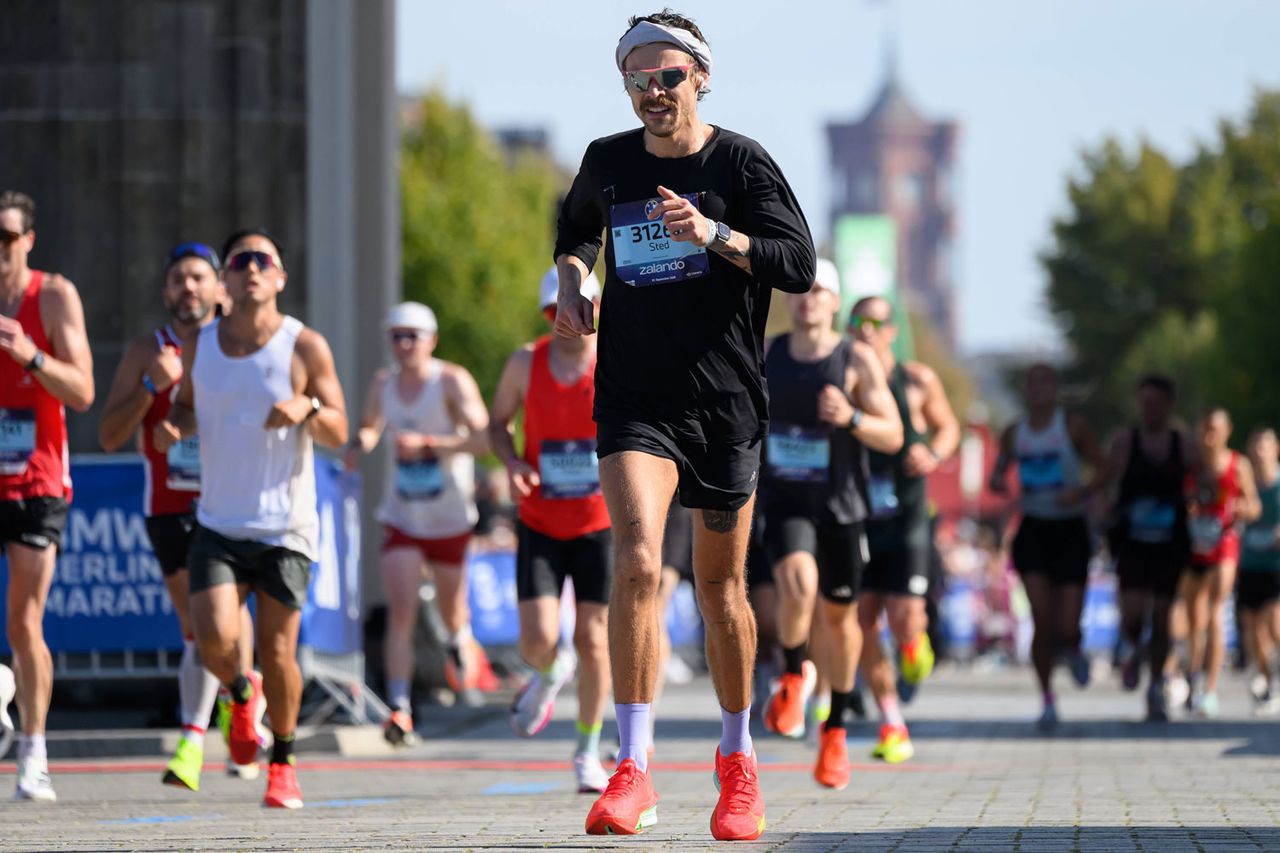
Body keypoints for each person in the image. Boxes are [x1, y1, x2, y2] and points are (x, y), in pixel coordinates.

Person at [554, 10, 816, 840]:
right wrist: (571, 280)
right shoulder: (607, 160)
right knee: (635, 563)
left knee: (721, 590)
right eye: (638, 79)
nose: (653, 93)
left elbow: (799, 264)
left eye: (668, 77)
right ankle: (632, 766)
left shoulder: (740, 161)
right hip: (635, 398)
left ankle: (737, 760)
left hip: (727, 405)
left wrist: (715, 234)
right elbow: (576, 231)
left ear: (700, 76)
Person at [155, 229, 348, 808]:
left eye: (264, 260)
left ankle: (283, 762)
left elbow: (337, 426)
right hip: (218, 520)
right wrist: (174, 425)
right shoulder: (201, 345)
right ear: (225, 281)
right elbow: (187, 407)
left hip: (286, 528)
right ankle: (242, 693)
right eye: (240, 262)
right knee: (213, 637)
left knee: (279, 650)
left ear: (280, 278)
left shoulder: (304, 345)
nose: (252, 270)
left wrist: (307, 407)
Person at [98, 243, 261, 788]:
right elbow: (109, 434)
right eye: (176, 280)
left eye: (197, 278)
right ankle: (240, 698)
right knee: (199, 626)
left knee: (223, 617)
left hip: (231, 503)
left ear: (220, 288)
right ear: (165, 291)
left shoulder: (238, 345)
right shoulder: (149, 350)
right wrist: (152, 387)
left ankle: (192, 741)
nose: (187, 288)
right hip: (170, 507)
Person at [759, 259, 902, 790]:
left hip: (841, 506)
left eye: (818, 291)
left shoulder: (855, 358)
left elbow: (894, 435)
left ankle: (836, 729)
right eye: (798, 290)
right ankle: (795, 672)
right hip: (786, 498)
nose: (807, 299)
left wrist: (853, 418)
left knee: (841, 622)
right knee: (798, 581)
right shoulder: (769, 352)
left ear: (835, 302)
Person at [488, 266, 612, 793]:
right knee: (538, 638)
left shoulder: (617, 362)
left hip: (599, 523)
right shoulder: (525, 362)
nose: (565, 319)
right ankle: (547, 670)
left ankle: (587, 750)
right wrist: (512, 464)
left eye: (578, 307)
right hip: (540, 519)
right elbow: (496, 424)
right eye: (554, 309)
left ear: (597, 309)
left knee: (594, 639)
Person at [345, 301, 489, 745]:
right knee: (401, 610)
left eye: (413, 336)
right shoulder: (383, 383)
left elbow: (483, 439)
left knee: (450, 611)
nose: (404, 344)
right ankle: (401, 708)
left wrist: (429, 444)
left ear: (431, 340)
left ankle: (457, 637)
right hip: (403, 515)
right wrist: (361, 444)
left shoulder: (450, 380)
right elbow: (371, 424)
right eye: (397, 336)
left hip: (448, 517)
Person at [0, 190, 94, 801]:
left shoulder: (52, 296)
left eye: (6, 237)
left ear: (28, 240)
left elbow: (83, 391)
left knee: (24, 621)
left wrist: (31, 355)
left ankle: (33, 751)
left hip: (36, 476)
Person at [848, 295, 959, 764]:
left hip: (909, 516)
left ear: (892, 330)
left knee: (905, 616)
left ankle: (915, 644)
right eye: (859, 321)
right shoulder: (843, 381)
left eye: (877, 322)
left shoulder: (916, 380)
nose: (867, 329)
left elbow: (949, 428)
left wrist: (932, 453)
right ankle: (892, 722)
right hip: (860, 517)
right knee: (861, 621)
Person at [989, 364, 1108, 730]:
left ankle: (1073, 647)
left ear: (1055, 389)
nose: (1038, 389)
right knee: (1041, 619)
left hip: (1070, 529)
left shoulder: (1073, 427)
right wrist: (998, 483)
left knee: (1067, 624)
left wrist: (1084, 490)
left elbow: (1105, 467)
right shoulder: (1014, 432)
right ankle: (1047, 699)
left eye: (1044, 382)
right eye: (1031, 382)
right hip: (1034, 530)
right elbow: (998, 472)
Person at [1106, 374, 1201, 721]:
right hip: (1132, 542)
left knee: (1162, 618)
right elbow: (1103, 479)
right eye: (1145, 403)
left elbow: (1204, 482)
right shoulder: (1124, 442)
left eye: (1157, 403)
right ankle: (1131, 647)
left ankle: (1155, 686)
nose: (1150, 409)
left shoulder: (1183, 445)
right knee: (1133, 614)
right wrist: (1100, 503)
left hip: (1169, 543)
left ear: (1168, 405)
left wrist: (1200, 502)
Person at [1181, 407, 1259, 717]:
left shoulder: (1238, 465)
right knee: (1193, 619)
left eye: (1215, 429)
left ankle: (1211, 689)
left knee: (1215, 609)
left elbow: (1253, 507)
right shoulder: (1191, 466)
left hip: (1224, 544)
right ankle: (1193, 676)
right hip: (1194, 546)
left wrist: (1242, 508)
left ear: (1227, 431)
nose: (1210, 436)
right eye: (1204, 429)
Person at [1240, 427, 1280, 715]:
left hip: (1276, 564)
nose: (1259, 452)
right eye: (1255, 447)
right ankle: (1268, 680)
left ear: (1275, 449)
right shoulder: (1245, 482)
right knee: (1254, 630)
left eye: (1265, 447)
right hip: (1250, 564)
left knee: (1275, 623)